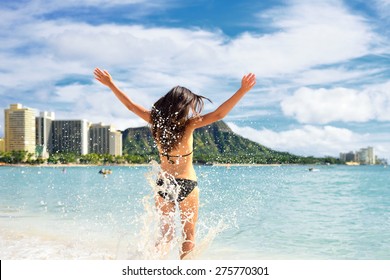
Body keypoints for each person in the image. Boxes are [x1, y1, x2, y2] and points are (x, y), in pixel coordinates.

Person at [94, 68, 256, 259]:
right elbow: (219, 114)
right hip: (187, 183)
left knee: (166, 234)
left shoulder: (155, 122)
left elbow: (130, 106)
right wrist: (242, 91)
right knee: (188, 234)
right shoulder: (189, 124)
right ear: (184, 105)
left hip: (164, 184)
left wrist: (111, 84)